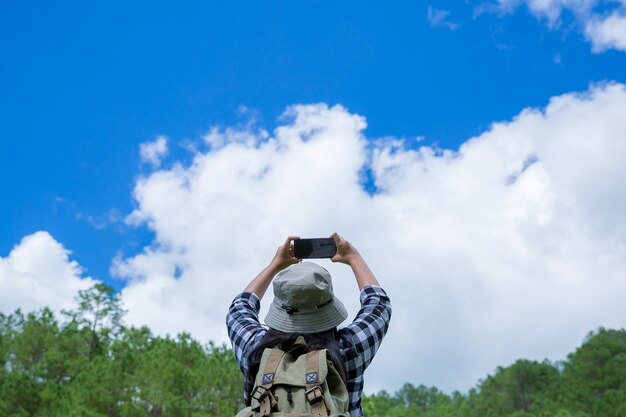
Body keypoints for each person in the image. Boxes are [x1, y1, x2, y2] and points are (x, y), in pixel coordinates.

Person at [226, 233, 392, 417]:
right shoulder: (348, 349)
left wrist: (274, 265)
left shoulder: (255, 348)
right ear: (328, 306)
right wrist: (353, 257)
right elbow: (378, 304)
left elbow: (240, 307)